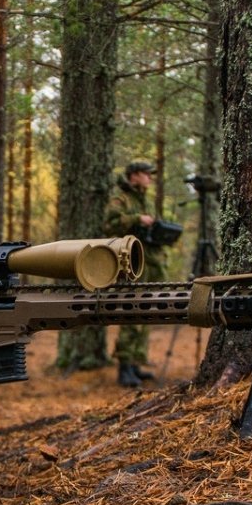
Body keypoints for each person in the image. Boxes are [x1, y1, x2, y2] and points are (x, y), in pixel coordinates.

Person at [105, 159, 174, 387]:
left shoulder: (144, 200)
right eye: (146, 174)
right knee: (132, 310)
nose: (150, 178)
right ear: (134, 175)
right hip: (132, 264)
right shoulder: (121, 200)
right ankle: (124, 366)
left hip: (148, 262)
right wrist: (136, 219)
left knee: (145, 313)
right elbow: (110, 224)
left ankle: (135, 364)